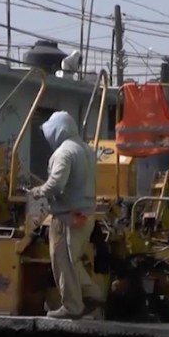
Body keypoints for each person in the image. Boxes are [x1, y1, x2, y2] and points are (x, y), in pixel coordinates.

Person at [28, 112, 103, 319]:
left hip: (67, 217)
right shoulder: (87, 150)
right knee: (74, 260)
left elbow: (56, 184)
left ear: (57, 130)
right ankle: (91, 293)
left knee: (62, 262)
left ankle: (72, 306)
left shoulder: (64, 152)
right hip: (86, 214)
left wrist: (39, 191)